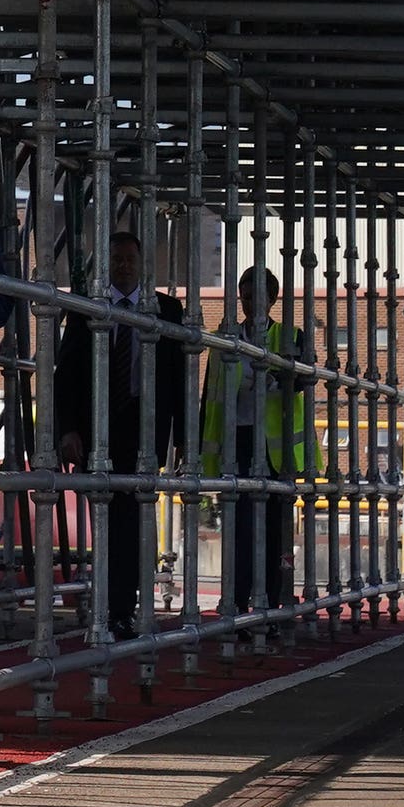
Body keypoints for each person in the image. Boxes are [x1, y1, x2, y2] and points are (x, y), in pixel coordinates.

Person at [55, 227, 188, 638]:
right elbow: (67, 373)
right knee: (104, 516)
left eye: (130, 259)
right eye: (116, 259)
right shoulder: (86, 309)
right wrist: (66, 429)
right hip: (97, 426)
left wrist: (183, 438)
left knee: (132, 519)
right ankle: (108, 603)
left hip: (143, 429)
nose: (124, 266)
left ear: (143, 264)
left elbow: (178, 377)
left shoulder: (167, 311)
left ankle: (121, 609)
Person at [197, 267, 314, 626]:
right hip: (239, 441)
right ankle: (238, 600)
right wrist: (196, 445)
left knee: (274, 529)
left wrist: (283, 372)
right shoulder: (224, 339)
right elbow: (210, 395)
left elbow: (304, 380)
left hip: (277, 451)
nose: (251, 304)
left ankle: (274, 601)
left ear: (274, 299)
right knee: (239, 525)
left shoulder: (290, 336)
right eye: (246, 297)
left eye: (258, 297)